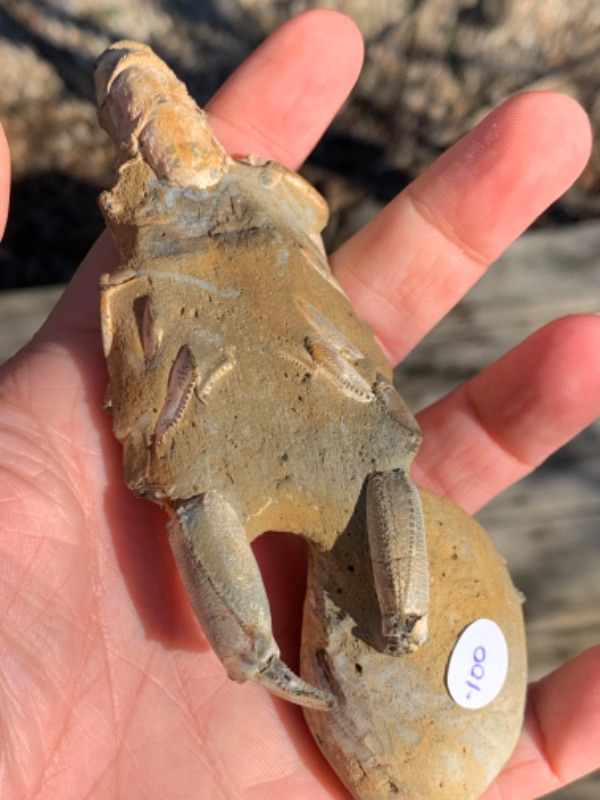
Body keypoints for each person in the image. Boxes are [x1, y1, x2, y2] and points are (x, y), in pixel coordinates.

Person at [0, 9, 598, 799]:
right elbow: (218, 539)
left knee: (296, 505)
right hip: (205, 314)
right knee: (242, 510)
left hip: (263, 347)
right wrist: (263, 655)